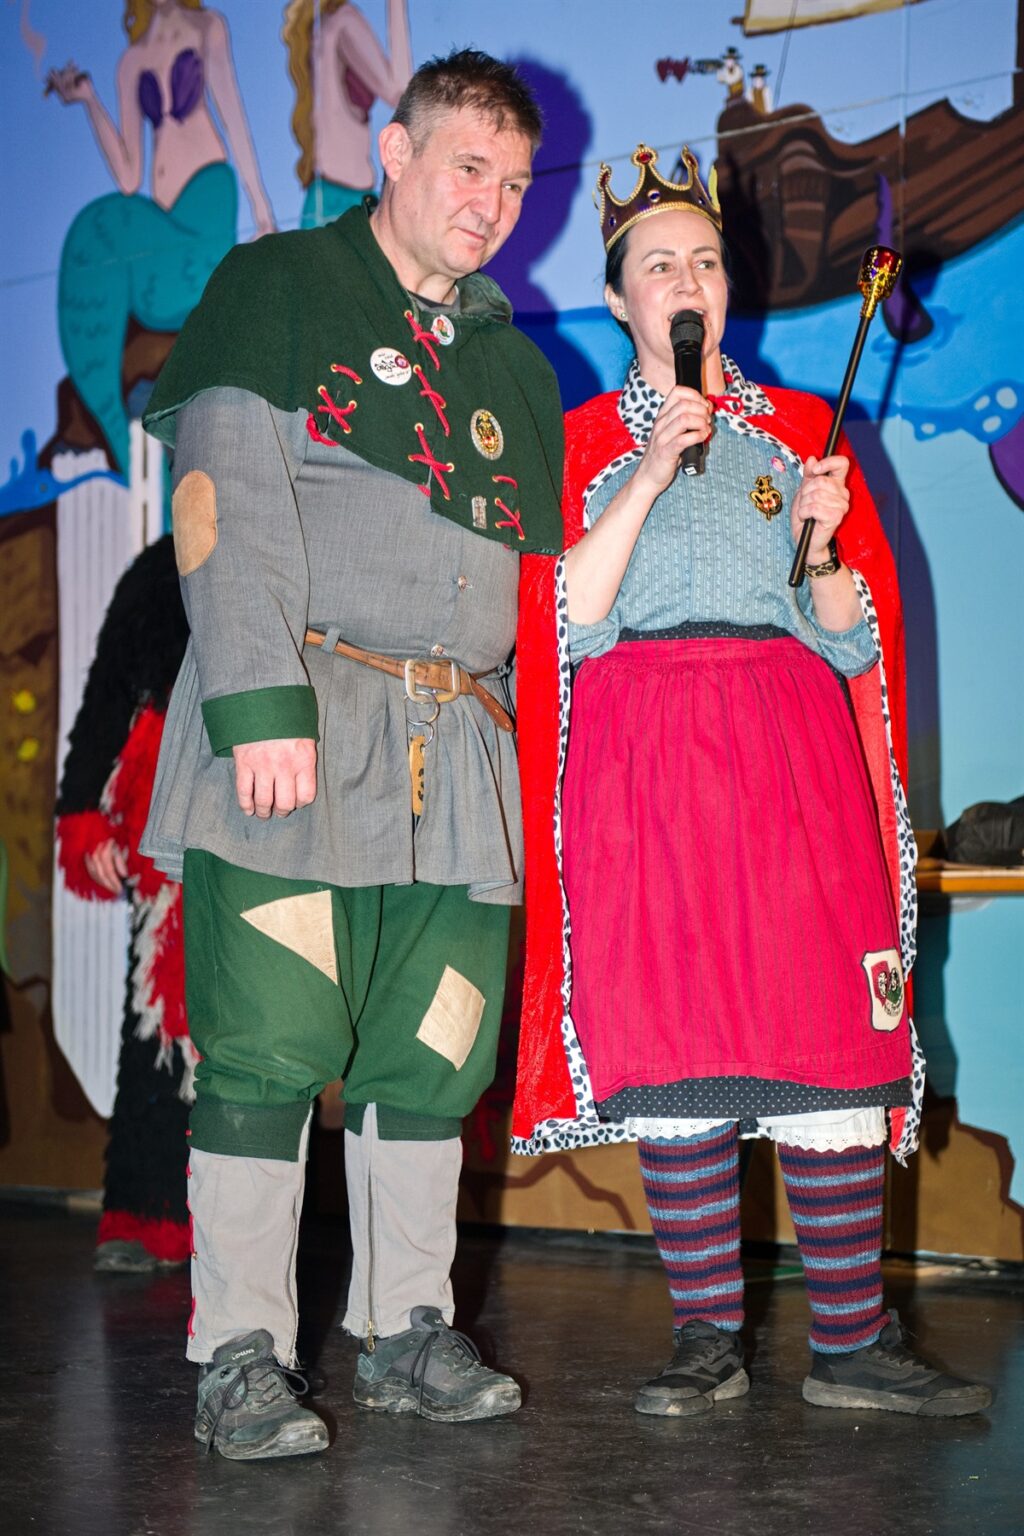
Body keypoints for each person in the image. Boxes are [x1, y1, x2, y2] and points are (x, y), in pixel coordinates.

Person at [513, 145, 991, 1419]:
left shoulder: (799, 432)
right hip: (647, 766)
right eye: (658, 266)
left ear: (730, 290)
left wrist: (823, 549)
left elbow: (849, 645)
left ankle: (851, 1342)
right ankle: (704, 1338)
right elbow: (566, 622)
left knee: (824, 1031)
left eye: (706, 263)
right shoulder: (580, 445)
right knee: (677, 1038)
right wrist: (651, 468)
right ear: (617, 297)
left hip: (789, 756)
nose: (687, 283)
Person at [140, 49, 563, 1459]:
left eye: (514, 182)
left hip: (464, 762)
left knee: (432, 1054)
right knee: (266, 1046)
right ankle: (241, 1351)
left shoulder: (516, 365)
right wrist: (261, 706)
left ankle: (405, 1328)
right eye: (466, 166)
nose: (490, 202)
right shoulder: (279, 288)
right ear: (393, 151)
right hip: (306, 733)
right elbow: (223, 494)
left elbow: (542, 595)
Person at [47, 0, 275, 475]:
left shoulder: (207, 26)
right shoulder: (131, 61)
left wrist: (263, 213)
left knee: (114, 230)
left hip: (208, 202)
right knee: (100, 226)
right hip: (163, 227)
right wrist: (89, 99)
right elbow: (129, 177)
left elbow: (233, 117)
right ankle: (116, 427)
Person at [55, 536, 194, 1273]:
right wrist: (84, 809)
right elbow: (109, 690)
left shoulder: (298, 537)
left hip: (267, 812)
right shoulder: (158, 568)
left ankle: (235, 1232)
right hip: (163, 811)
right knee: (153, 1020)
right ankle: (144, 1214)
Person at [282, 0, 412, 229]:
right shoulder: (343, 21)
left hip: (325, 199)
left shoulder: (323, 27)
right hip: (347, 202)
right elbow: (401, 93)